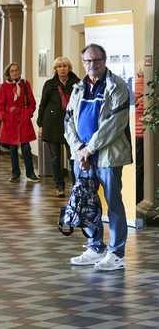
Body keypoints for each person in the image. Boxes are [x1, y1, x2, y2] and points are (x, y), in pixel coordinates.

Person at [66, 43, 132, 271]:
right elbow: (68, 122)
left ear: (104, 61)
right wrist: (79, 150)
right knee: (88, 201)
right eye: (88, 61)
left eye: (96, 60)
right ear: (83, 63)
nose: (92, 65)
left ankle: (117, 253)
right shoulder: (77, 88)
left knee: (113, 203)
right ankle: (95, 248)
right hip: (82, 157)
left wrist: (89, 149)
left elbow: (114, 124)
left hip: (107, 157)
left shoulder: (117, 87)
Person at [37, 57, 79, 197]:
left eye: (65, 66)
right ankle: (59, 186)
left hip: (71, 125)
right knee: (55, 157)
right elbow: (42, 105)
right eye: (59, 66)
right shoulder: (50, 84)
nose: (62, 69)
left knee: (73, 157)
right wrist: (40, 125)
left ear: (69, 68)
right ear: (55, 69)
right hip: (53, 125)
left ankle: (75, 185)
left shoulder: (77, 83)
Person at [0, 62, 40, 183]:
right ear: (8, 73)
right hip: (10, 122)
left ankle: (30, 173)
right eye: (12, 71)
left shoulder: (25, 84)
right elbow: (0, 105)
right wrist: (4, 117)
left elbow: (32, 102)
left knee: (26, 148)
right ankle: (15, 173)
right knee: (13, 149)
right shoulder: (4, 87)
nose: (15, 72)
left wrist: (29, 113)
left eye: (17, 70)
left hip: (23, 120)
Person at [135, 64, 144, 204]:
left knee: (138, 167)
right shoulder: (149, 86)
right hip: (146, 132)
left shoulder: (135, 85)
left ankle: (136, 199)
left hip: (136, 133)